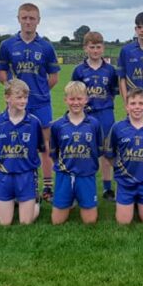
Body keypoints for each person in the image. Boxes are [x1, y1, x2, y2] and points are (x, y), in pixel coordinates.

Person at [0, 3, 60, 202]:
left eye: (32, 18)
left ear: (38, 21)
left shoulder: (46, 46)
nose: (28, 21)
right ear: (18, 19)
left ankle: (48, 187)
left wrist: (38, 93)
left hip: (41, 105)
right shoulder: (7, 45)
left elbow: (54, 77)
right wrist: (15, 93)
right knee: (18, 143)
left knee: (45, 146)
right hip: (16, 106)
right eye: (24, 17)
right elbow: (1, 73)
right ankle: (21, 184)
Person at [71, 31, 118, 202]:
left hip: (106, 114)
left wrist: (102, 104)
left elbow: (113, 92)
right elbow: (75, 92)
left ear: (103, 48)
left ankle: (107, 188)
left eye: (98, 47)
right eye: (92, 47)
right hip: (86, 116)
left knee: (107, 152)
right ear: (86, 48)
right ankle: (79, 185)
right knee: (84, 151)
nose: (96, 50)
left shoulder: (111, 70)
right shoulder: (79, 70)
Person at [0, 79, 43, 225]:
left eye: (25, 97)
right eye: (19, 97)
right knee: (5, 223)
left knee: (26, 222)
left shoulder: (34, 122)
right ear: (7, 97)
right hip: (4, 176)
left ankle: (36, 203)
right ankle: (13, 201)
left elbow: (39, 148)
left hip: (26, 175)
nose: (23, 101)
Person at [105, 88, 143, 225]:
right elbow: (109, 155)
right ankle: (131, 200)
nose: (137, 107)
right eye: (133, 103)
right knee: (123, 222)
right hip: (125, 183)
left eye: (141, 103)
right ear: (127, 106)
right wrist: (121, 169)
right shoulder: (118, 127)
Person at [50, 81, 105, 225]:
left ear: (86, 99)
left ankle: (79, 196)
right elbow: (54, 153)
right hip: (64, 175)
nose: (76, 103)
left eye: (79, 99)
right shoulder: (57, 125)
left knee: (90, 221)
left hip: (86, 175)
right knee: (57, 221)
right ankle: (69, 197)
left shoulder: (94, 124)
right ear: (65, 100)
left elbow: (98, 150)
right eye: (72, 99)